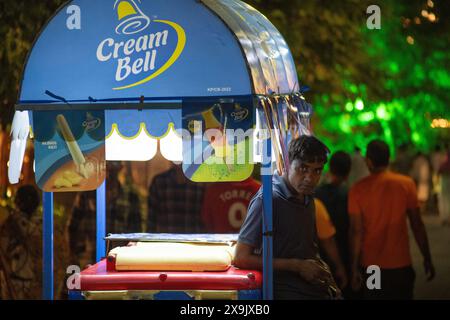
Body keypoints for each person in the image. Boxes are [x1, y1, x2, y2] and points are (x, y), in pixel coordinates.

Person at [234, 135, 339, 300]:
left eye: (317, 170)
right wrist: (297, 266)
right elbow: (241, 258)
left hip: (313, 290)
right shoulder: (268, 199)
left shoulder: (307, 197)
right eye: (303, 169)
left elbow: (307, 248)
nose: (310, 178)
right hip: (284, 292)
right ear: (287, 165)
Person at [348, 140, 435, 300]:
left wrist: (353, 268)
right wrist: (427, 257)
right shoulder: (406, 184)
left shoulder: (358, 189)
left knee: (374, 297)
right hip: (401, 264)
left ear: (368, 161)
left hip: (372, 266)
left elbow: (356, 231)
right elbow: (417, 225)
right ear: (389, 159)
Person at [69, 161, 142, 266]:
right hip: (89, 258)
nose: (109, 171)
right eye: (106, 167)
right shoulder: (86, 194)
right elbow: (73, 227)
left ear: (120, 168)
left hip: (120, 259)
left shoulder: (130, 197)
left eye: (113, 167)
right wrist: (74, 255)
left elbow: (136, 232)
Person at [315, 151, 358, 298]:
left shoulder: (315, 194)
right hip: (345, 252)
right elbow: (355, 229)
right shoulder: (350, 195)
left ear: (330, 168)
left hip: (320, 257)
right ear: (348, 171)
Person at [147, 164, 206, 233]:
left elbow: (151, 218)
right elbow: (151, 218)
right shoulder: (200, 183)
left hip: (170, 238)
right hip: (173, 238)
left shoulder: (200, 183)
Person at [314, 198, 348, 291]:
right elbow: (328, 241)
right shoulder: (314, 205)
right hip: (311, 273)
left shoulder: (273, 204)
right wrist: (339, 268)